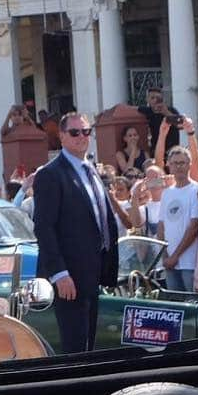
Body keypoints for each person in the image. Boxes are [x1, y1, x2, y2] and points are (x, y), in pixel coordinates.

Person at [32, 112, 118, 353]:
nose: (82, 137)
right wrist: (59, 273)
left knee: (89, 345)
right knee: (75, 347)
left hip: (94, 271)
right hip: (69, 275)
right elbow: (44, 227)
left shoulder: (90, 170)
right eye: (75, 132)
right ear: (61, 137)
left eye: (86, 131)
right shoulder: (51, 174)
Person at [157, 145, 198, 290]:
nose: (178, 166)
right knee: (173, 305)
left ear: (189, 164)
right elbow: (161, 226)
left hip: (189, 262)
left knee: (191, 301)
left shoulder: (196, 190)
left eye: (182, 163)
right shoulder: (166, 193)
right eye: (175, 163)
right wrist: (164, 255)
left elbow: (194, 227)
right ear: (169, 165)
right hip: (169, 262)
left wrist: (175, 256)